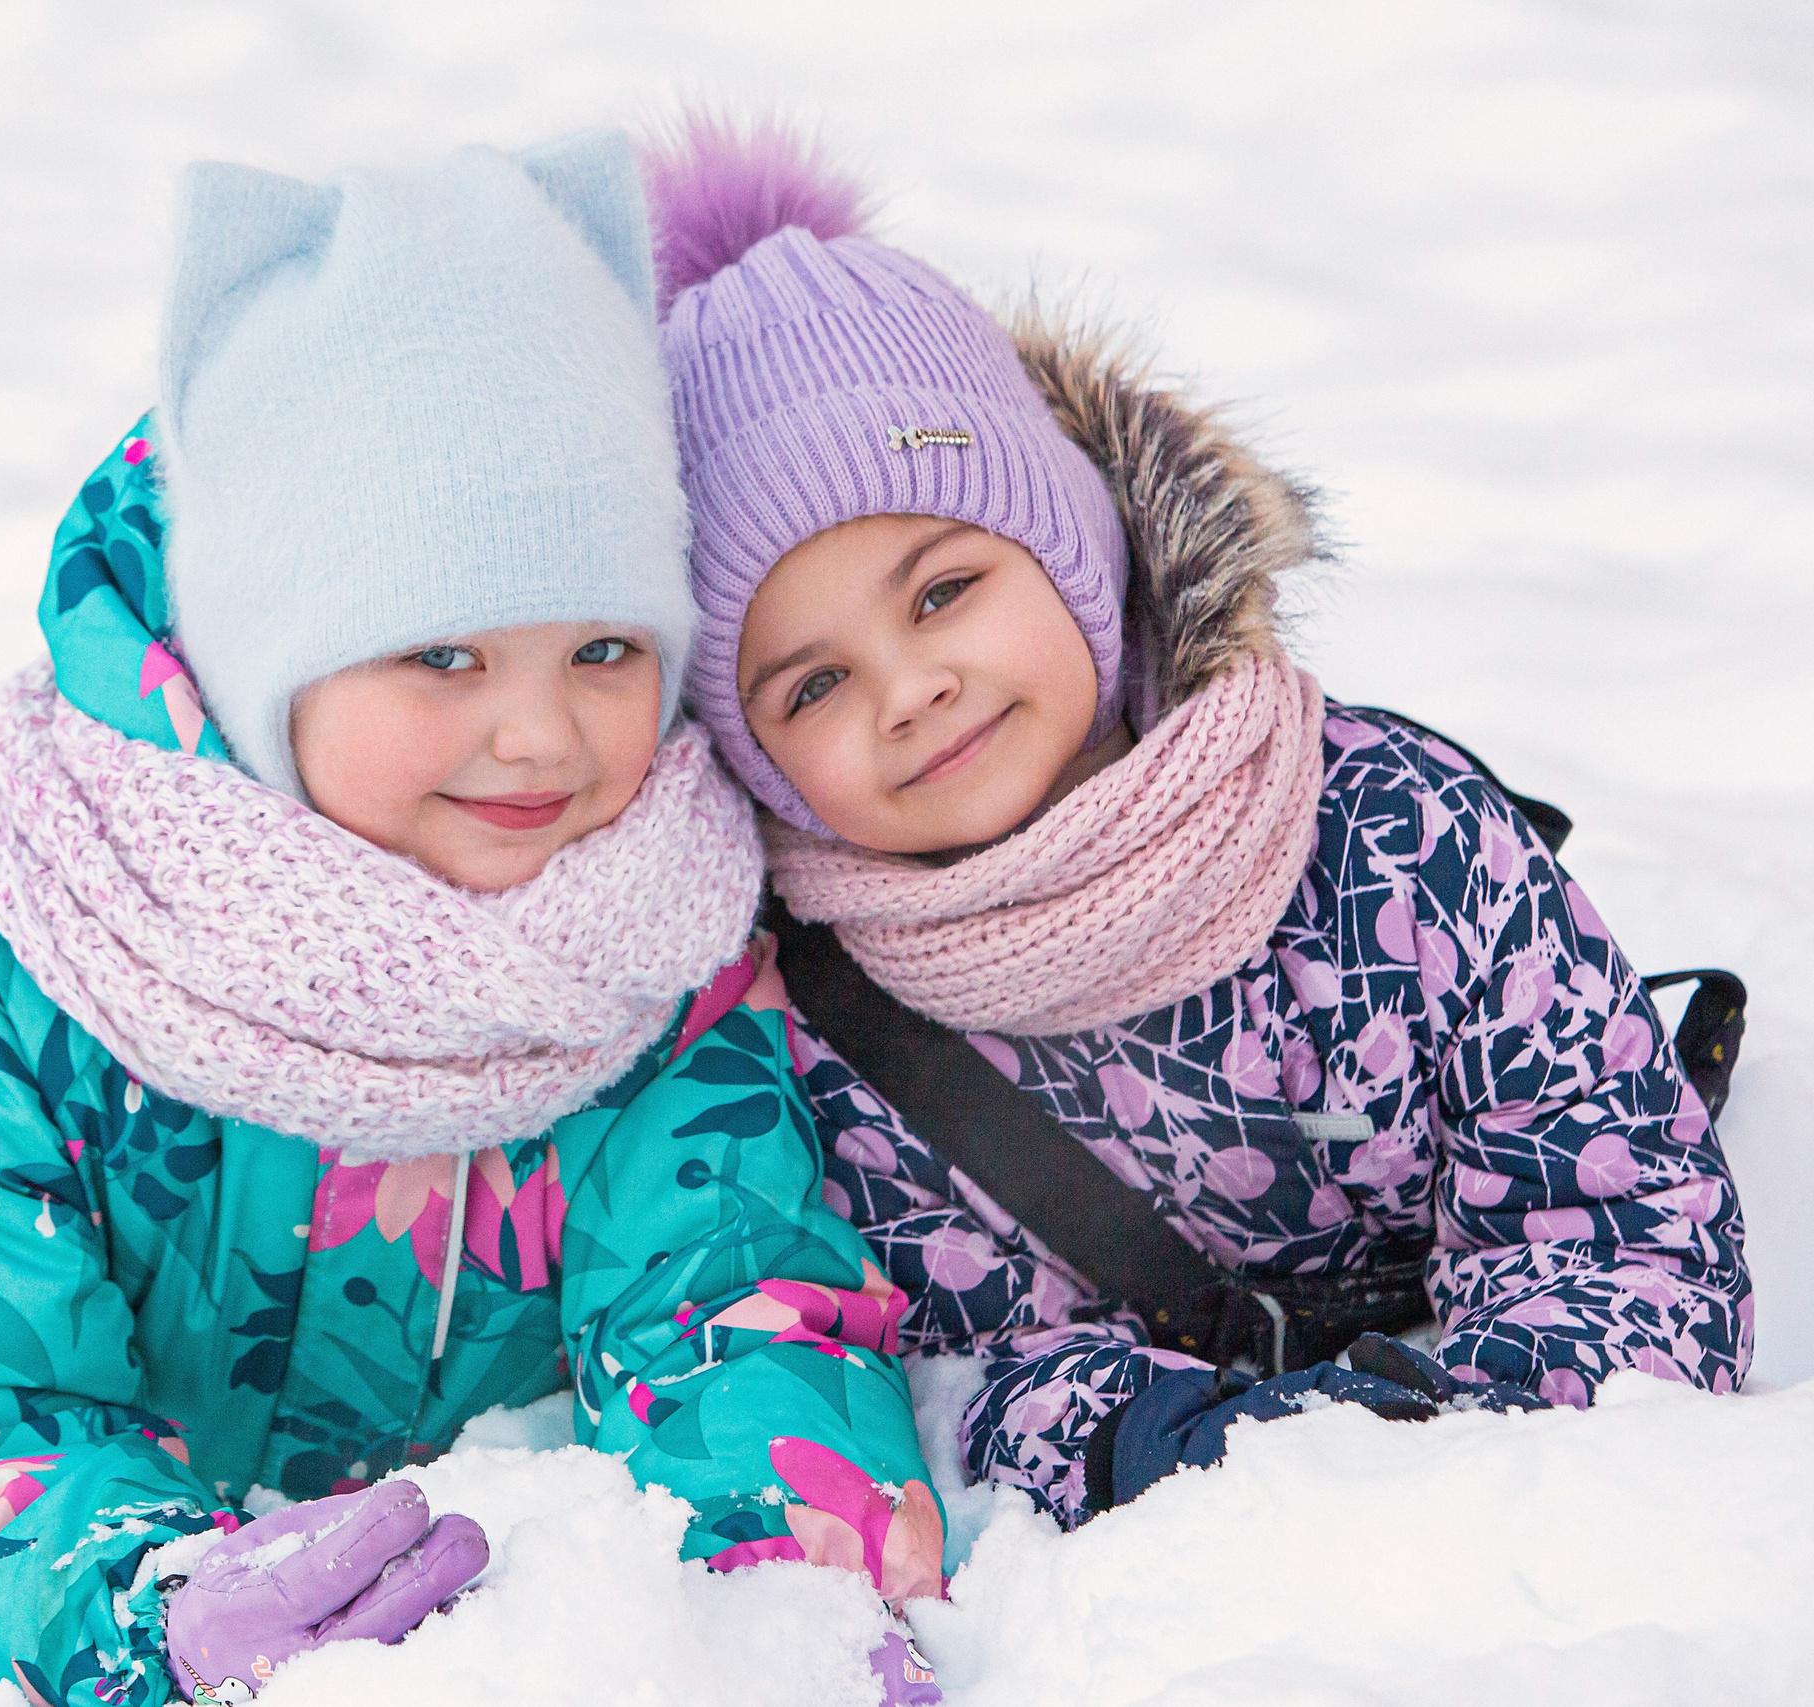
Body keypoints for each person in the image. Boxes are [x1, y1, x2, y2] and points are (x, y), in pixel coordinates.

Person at [0, 133, 946, 1704]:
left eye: (605, 651)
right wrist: (153, 1601)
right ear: (262, 667)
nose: (545, 737)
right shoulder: (30, 968)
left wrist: (797, 1612)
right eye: (443, 657)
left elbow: (730, 1304)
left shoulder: (657, 951)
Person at [640, 113, 1752, 1531]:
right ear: (763, 762)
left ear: (1078, 544)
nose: (911, 690)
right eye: (814, 683)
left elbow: (1625, 1222)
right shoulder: (841, 1032)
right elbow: (964, 1367)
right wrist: (1178, 1450)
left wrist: (1452, 1433)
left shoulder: (1398, 842)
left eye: (942, 592)